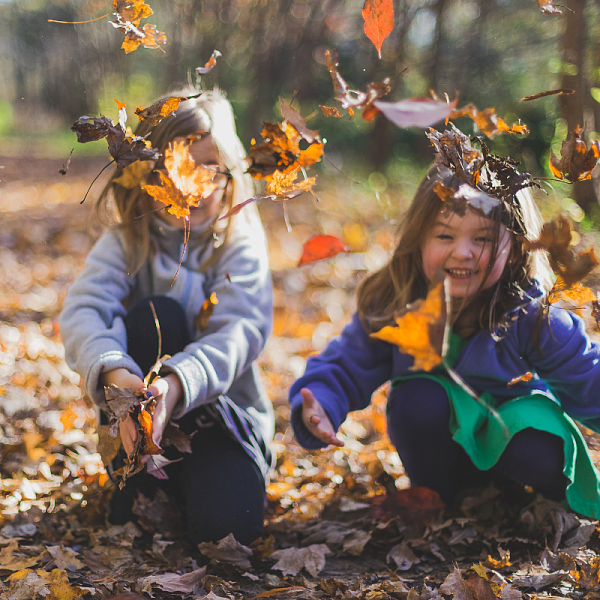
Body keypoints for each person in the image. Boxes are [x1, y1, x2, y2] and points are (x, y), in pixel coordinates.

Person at [289, 126, 600, 519]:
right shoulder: (400, 303)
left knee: (535, 441)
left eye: (483, 239)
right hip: (442, 449)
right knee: (417, 398)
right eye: (444, 235)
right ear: (419, 240)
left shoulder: (533, 316)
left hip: (515, 439)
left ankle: (527, 502)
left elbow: (589, 378)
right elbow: (348, 363)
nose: (463, 252)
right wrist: (322, 402)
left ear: (517, 248)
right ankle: (438, 501)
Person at [60, 88, 274, 545]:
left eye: (207, 169)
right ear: (145, 173)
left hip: (221, 423)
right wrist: (117, 373)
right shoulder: (127, 241)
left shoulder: (238, 242)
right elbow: (84, 309)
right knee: (156, 314)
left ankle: (205, 486)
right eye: (174, 167)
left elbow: (241, 330)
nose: (191, 185)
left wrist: (175, 386)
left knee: (229, 534)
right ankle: (140, 480)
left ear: (229, 173)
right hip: (137, 425)